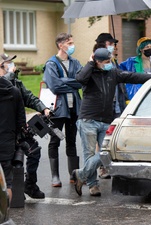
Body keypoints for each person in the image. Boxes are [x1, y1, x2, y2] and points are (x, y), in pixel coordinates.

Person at [73, 48, 151, 196]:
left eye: (110, 61)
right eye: (106, 62)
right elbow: (80, 79)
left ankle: (80, 175)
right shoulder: (88, 72)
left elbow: (133, 76)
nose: (110, 63)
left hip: (106, 119)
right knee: (89, 154)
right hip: (88, 119)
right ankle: (92, 185)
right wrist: (90, 63)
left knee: (106, 153)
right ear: (97, 61)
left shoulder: (113, 72)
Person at [0, 53, 50, 198]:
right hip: (6, 132)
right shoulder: (8, 85)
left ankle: (30, 185)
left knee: (34, 150)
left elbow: (30, 98)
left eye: (11, 63)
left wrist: (44, 108)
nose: (12, 66)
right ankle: (13, 190)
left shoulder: (16, 84)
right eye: (8, 63)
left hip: (17, 131)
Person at [43, 33, 82, 187]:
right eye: (69, 43)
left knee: (72, 142)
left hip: (74, 109)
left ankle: (73, 175)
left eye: (72, 42)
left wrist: (65, 81)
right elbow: (54, 85)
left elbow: (81, 81)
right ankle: (55, 177)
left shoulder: (75, 62)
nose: (72, 45)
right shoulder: (51, 63)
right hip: (58, 110)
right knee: (54, 141)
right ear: (61, 45)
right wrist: (71, 84)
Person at [94, 33, 128, 179]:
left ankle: (114, 166)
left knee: (116, 137)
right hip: (105, 106)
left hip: (117, 105)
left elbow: (121, 82)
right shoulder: (96, 62)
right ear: (104, 44)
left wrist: (126, 99)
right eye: (111, 43)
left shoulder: (113, 62)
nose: (114, 46)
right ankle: (102, 167)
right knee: (102, 139)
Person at [0, 76, 26, 203]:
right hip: (7, 142)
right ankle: (5, 214)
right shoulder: (15, 92)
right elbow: (21, 121)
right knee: (7, 182)